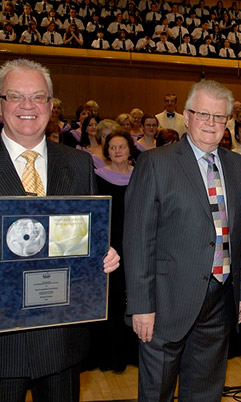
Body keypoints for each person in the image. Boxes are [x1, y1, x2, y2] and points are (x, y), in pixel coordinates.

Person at [0, 58, 120, 402]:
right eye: (16, 96)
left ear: (51, 106)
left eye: (38, 97)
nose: (28, 106)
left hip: (62, 340)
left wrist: (103, 253)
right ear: (0, 104)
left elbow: (86, 234)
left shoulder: (77, 164)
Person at [124, 79, 241, 402]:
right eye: (203, 114)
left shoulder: (238, 167)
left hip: (220, 300)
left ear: (228, 122)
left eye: (220, 117)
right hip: (166, 303)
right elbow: (138, 240)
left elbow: (240, 234)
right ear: (186, 115)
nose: (212, 123)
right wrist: (141, 305)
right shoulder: (156, 163)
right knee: (157, 393)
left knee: (206, 393)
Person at [91, 127, 138, 372]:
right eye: (112, 147)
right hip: (107, 248)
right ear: (106, 151)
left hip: (135, 244)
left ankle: (132, 354)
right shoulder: (97, 176)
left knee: (133, 298)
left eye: (121, 146)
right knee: (111, 300)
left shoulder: (141, 175)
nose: (117, 151)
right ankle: (109, 356)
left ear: (130, 149)